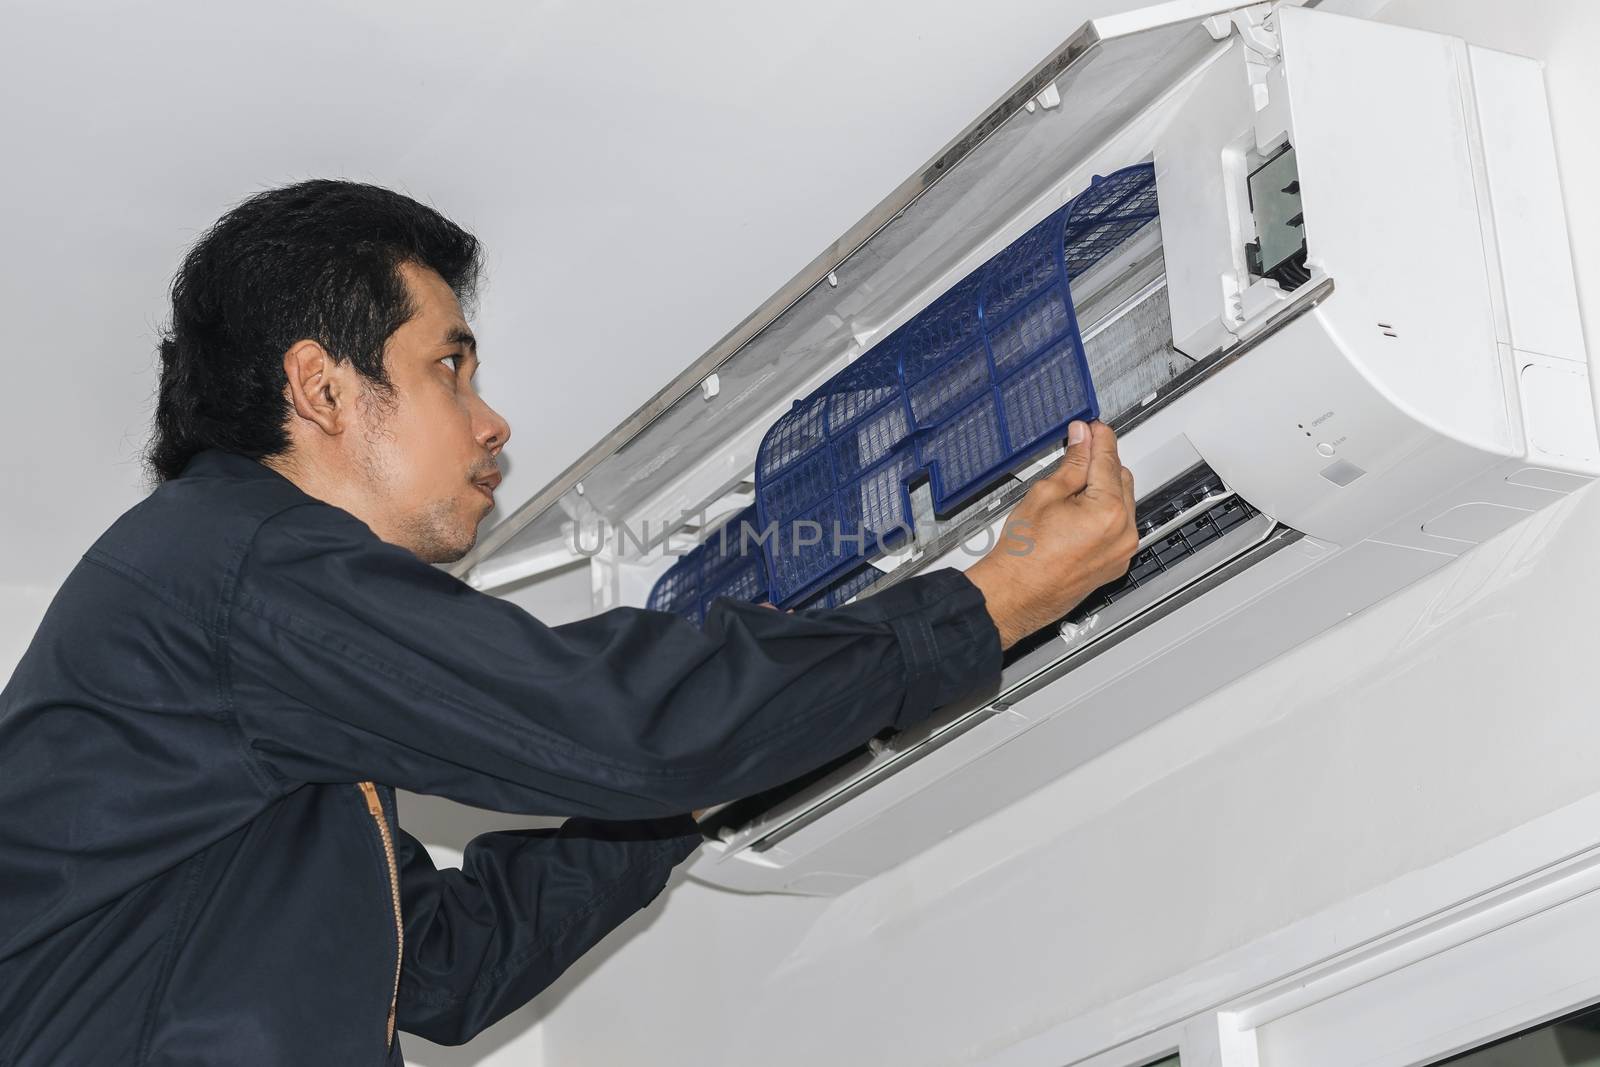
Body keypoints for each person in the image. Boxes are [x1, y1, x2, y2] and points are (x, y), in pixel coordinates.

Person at [0, 179, 1138, 1066]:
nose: (492, 422)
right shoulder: (238, 561)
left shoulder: (260, 664)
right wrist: (989, 602)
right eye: (450, 365)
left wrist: (695, 781)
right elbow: (615, 723)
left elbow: (439, 964)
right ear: (324, 388)